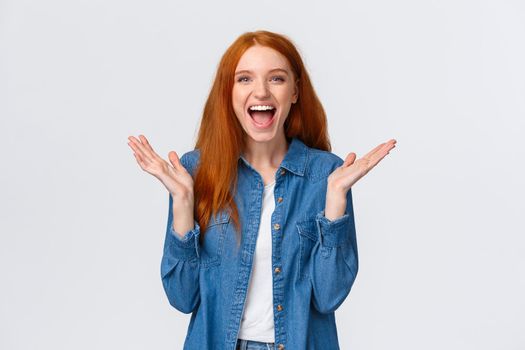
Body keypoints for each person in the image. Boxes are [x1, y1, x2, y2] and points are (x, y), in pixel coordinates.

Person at [127, 30, 396, 350]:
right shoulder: (197, 171)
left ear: (295, 91)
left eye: (277, 79)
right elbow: (182, 298)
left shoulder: (326, 174)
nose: (261, 91)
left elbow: (328, 297)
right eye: (244, 79)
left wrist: (335, 202)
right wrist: (183, 201)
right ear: (228, 92)